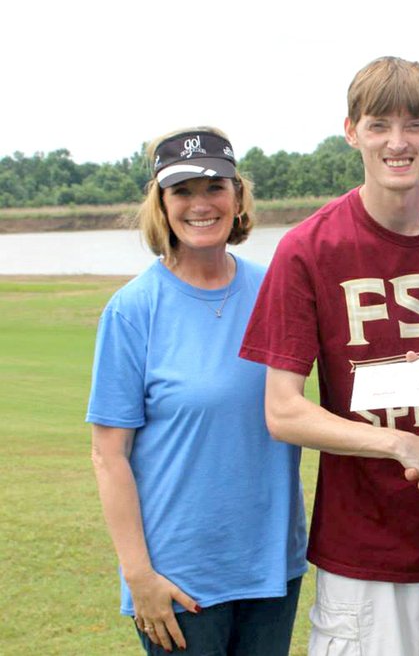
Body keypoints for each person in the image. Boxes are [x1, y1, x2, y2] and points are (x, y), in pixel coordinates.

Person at [239, 56, 419, 656]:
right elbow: (283, 412)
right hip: (359, 545)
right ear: (351, 131)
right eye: (379, 125)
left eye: (414, 125)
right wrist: (400, 444)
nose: (398, 142)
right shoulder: (308, 248)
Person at [87, 127, 307, 655]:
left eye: (215, 187)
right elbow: (108, 455)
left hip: (272, 565)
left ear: (238, 197)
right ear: (161, 205)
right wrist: (139, 576)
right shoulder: (132, 309)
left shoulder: (276, 287)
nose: (200, 204)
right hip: (178, 580)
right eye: (182, 191)